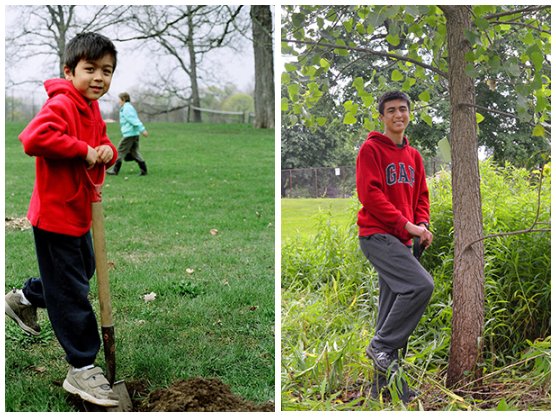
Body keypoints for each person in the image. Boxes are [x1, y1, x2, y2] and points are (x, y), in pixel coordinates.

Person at [5, 32, 121, 407]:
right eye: (91, 69)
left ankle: (25, 298)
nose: (100, 78)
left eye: (107, 71)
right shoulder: (62, 104)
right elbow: (33, 139)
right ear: (69, 71)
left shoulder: (92, 109)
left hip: (78, 211)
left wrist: (105, 150)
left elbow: (101, 142)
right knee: (71, 292)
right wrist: (82, 149)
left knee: (81, 269)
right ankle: (82, 367)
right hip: (55, 215)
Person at [356, 90, 434, 400]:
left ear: (408, 113)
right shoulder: (370, 150)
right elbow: (370, 196)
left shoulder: (414, 156)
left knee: (390, 312)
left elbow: (421, 196)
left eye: (403, 109)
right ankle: (378, 347)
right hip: (376, 235)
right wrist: (407, 225)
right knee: (420, 286)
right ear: (382, 116)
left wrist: (422, 225)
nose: (398, 115)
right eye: (391, 111)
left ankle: (384, 390)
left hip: (402, 240)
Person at [107, 92, 148, 176]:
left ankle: (115, 170)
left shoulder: (127, 109)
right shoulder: (127, 108)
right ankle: (144, 170)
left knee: (120, 150)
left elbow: (134, 120)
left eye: (119, 99)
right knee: (134, 152)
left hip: (129, 134)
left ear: (124, 99)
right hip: (133, 133)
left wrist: (142, 129)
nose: (119, 101)